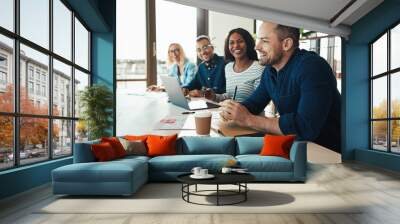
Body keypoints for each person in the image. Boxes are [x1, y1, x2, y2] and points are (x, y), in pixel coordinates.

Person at [220, 21, 341, 153]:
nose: (256, 46)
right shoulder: (270, 71)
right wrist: (233, 110)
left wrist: (249, 119)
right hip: (295, 147)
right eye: (258, 40)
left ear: (286, 44)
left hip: (329, 154)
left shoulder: (312, 67)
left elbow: (305, 127)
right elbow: (253, 104)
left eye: (264, 41)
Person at [204, 28, 264, 102]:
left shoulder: (259, 68)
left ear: (248, 43)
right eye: (231, 43)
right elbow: (230, 96)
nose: (236, 46)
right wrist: (214, 97)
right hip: (231, 112)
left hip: (248, 113)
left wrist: (236, 107)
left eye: (240, 41)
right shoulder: (228, 67)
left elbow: (259, 101)